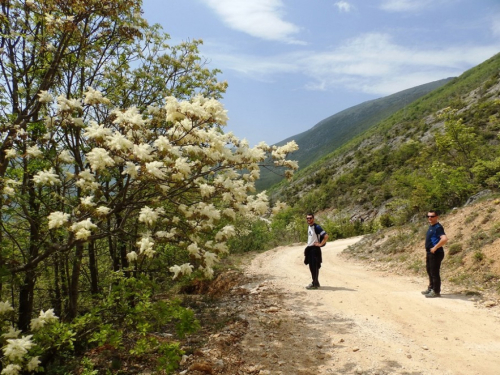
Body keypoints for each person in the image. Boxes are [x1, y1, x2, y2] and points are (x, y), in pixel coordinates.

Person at [422, 210, 448, 298]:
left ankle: (436, 291)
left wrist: (435, 247)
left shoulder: (438, 227)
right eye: (428, 216)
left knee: (434, 272)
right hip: (430, 253)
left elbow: (444, 239)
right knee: (429, 271)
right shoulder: (431, 226)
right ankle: (431, 288)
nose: (430, 218)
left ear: (436, 217)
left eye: (432, 216)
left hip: (436, 253)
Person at [304, 214, 328, 289]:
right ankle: (315, 282)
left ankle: (315, 284)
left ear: (313, 219)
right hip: (310, 249)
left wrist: (320, 244)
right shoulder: (309, 227)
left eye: (310, 218)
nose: (309, 219)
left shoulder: (316, 227)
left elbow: (326, 236)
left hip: (315, 249)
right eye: (307, 218)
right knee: (311, 267)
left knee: (314, 267)